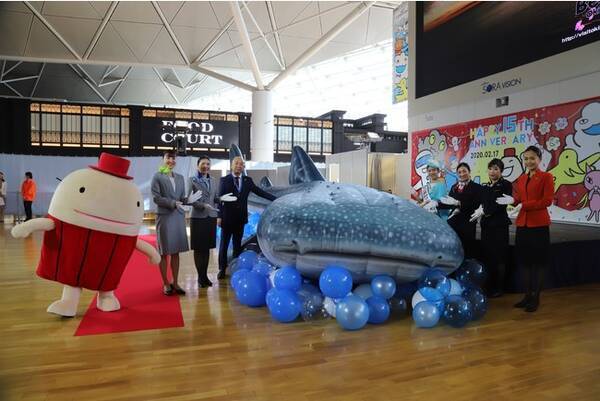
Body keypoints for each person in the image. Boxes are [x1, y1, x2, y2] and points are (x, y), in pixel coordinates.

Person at [497, 145, 553, 312]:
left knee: (539, 263)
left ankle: (536, 297)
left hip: (539, 225)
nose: (529, 161)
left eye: (532, 158)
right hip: (523, 224)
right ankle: (527, 295)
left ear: (539, 159)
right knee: (525, 263)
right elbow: (520, 199)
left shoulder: (546, 177)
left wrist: (523, 204)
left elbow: (547, 201)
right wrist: (512, 201)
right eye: (526, 158)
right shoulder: (521, 178)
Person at [217, 156, 276, 279]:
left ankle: (236, 267)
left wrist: (275, 199)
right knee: (224, 245)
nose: (239, 166)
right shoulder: (224, 180)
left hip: (240, 219)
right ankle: (222, 269)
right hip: (227, 219)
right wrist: (219, 216)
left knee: (237, 245)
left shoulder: (247, 181)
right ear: (232, 166)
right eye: (237, 163)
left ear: (243, 167)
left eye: (241, 164)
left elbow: (260, 192)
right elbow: (219, 199)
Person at [471, 158, 512, 297]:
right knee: (487, 257)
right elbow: (483, 202)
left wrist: (485, 210)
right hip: (486, 227)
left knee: (499, 258)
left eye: (496, 169)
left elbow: (500, 204)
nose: (492, 172)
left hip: (499, 227)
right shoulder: (486, 186)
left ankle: (499, 288)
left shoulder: (506, 185)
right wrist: (480, 209)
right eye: (490, 168)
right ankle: (488, 286)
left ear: (501, 171)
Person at [151, 151, 189, 296]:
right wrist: (173, 203)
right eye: (168, 158)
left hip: (178, 217)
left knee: (176, 252)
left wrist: (188, 199)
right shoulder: (157, 176)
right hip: (165, 216)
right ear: (163, 159)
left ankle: (176, 282)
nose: (171, 160)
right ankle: (166, 283)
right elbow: (156, 198)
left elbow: (182, 197)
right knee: (164, 252)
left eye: (173, 158)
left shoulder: (179, 178)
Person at [188, 155, 220, 288]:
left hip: (210, 217)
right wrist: (202, 206)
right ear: (198, 165)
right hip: (198, 217)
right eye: (203, 163)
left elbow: (214, 197)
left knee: (207, 249)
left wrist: (220, 199)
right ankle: (200, 278)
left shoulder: (213, 180)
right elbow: (190, 199)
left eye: (208, 164)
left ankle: (204, 276)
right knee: (199, 249)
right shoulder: (192, 180)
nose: (206, 166)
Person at [439, 162, 482, 259]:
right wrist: (436, 204)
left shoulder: (477, 188)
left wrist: (459, 203)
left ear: (469, 172)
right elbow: (448, 203)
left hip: (468, 225)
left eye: (464, 171)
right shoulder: (454, 187)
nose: (462, 174)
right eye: (459, 172)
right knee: (453, 251)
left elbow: (475, 204)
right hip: (453, 224)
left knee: (467, 251)